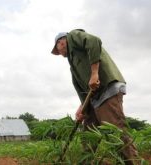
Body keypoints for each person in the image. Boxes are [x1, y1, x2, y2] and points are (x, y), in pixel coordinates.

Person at [51, 29, 138, 164]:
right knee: (89, 134)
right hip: (94, 99)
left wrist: (95, 73)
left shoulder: (73, 37)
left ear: (61, 42)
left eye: (57, 49)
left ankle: (133, 163)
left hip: (107, 90)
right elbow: (84, 90)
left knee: (114, 132)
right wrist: (82, 109)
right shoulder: (73, 64)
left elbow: (94, 41)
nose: (59, 53)